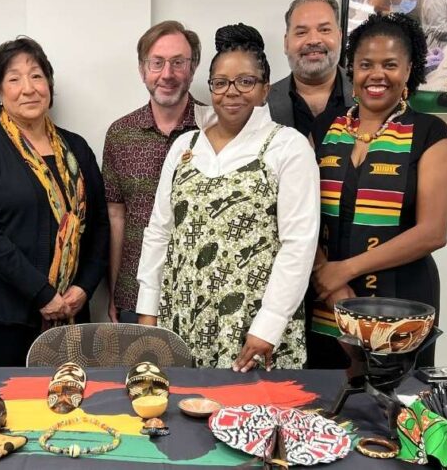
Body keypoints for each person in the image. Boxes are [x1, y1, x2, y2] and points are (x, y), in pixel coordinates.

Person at [137, 24, 319, 371]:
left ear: (265, 89)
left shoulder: (286, 146)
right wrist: (149, 311)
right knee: (179, 416)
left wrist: (269, 324)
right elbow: (159, 231)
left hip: (253, 325)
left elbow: (299, 243)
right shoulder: (185, 147)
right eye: (220, 83)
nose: (231, 92)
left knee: (248, 418)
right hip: (182, 317)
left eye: (246, 81)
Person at [311, 13, 447, 369]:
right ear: (352, 70)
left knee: (393, 407)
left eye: (390, 64)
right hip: (324, 296)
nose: (377, 75)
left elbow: (432, 233)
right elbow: (298, 214)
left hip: (399, 300)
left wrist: (343, 270)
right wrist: (327, 277)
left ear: (408, 70)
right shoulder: (325, 127)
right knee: (322, 401)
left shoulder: (428, 132)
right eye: (366, 64)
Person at [0, 37, 108, 367]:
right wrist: (42, 293)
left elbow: (98, 227)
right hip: (2, 313)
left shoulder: (77, 149)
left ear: (49, 84)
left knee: (69, 406)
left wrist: (83, 287)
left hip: (70, 308)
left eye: (36, 75)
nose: (28, 88)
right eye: (14, 78)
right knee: (12, 409)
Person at [102, 21, 201, 324]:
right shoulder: (120, 134)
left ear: (193, 67)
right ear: (142, 69)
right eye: (157, 63)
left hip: (199, 294)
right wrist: (115, 291)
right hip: (135, 294)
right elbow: (116, 218)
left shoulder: (214, 130)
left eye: (178, 63)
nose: (167, 74)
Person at [268, 0, 353, 140]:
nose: (314, 40)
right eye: (301, 32)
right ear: (286, 43)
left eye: (325, 30)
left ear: (339, 37)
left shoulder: (368, 94)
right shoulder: (263, 102)